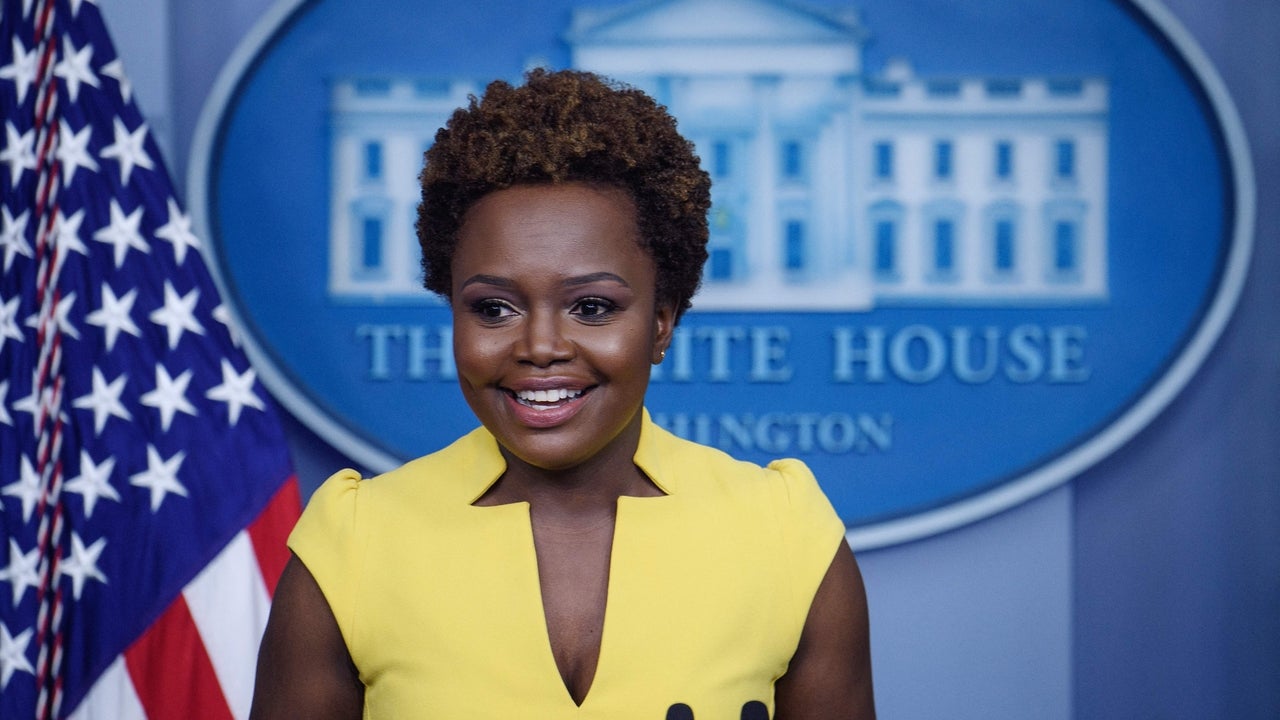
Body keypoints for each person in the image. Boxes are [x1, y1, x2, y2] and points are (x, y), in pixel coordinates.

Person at [250, 68, 874, 720]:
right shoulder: (354, 541)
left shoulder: (784, 535)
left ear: (661, 321)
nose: (540, 345)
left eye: (592, 307)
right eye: (493, 309)